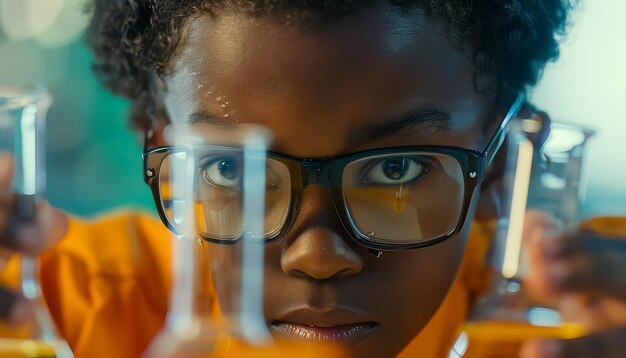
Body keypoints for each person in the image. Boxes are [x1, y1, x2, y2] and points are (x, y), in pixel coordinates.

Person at [1, 0, 625, 357]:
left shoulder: (586, 317)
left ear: (502, 166)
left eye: (395, 169)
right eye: (228, 169)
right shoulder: (57, 309)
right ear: (159, 146)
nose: (318, 255)